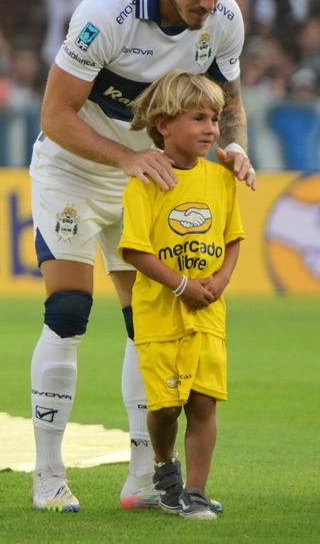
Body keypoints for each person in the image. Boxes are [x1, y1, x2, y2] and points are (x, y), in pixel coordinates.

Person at [27, 0, 254, 513]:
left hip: (147, 180)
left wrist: (235, 150)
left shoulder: (225, 19)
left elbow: (229, 102)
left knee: (145, 325)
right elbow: (56, 114)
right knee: (70, 310)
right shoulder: (107, 14)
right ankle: (48, 474)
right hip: (75, 168)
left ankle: (143, 478)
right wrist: (124, 159)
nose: (209, 1)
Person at [119, 71, 243, 521]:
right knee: (167, 408)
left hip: (208, 313)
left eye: (213, 118)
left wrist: (220, 282)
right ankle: (163, 464)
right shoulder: (147, 181)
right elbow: (134, 248)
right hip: (160, 315)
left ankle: (195, 491)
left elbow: (233, 238)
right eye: (198, 118)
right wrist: (181, 285)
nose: (211, 128)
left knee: (203, 402)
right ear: (164, 125)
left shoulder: (222, 179)